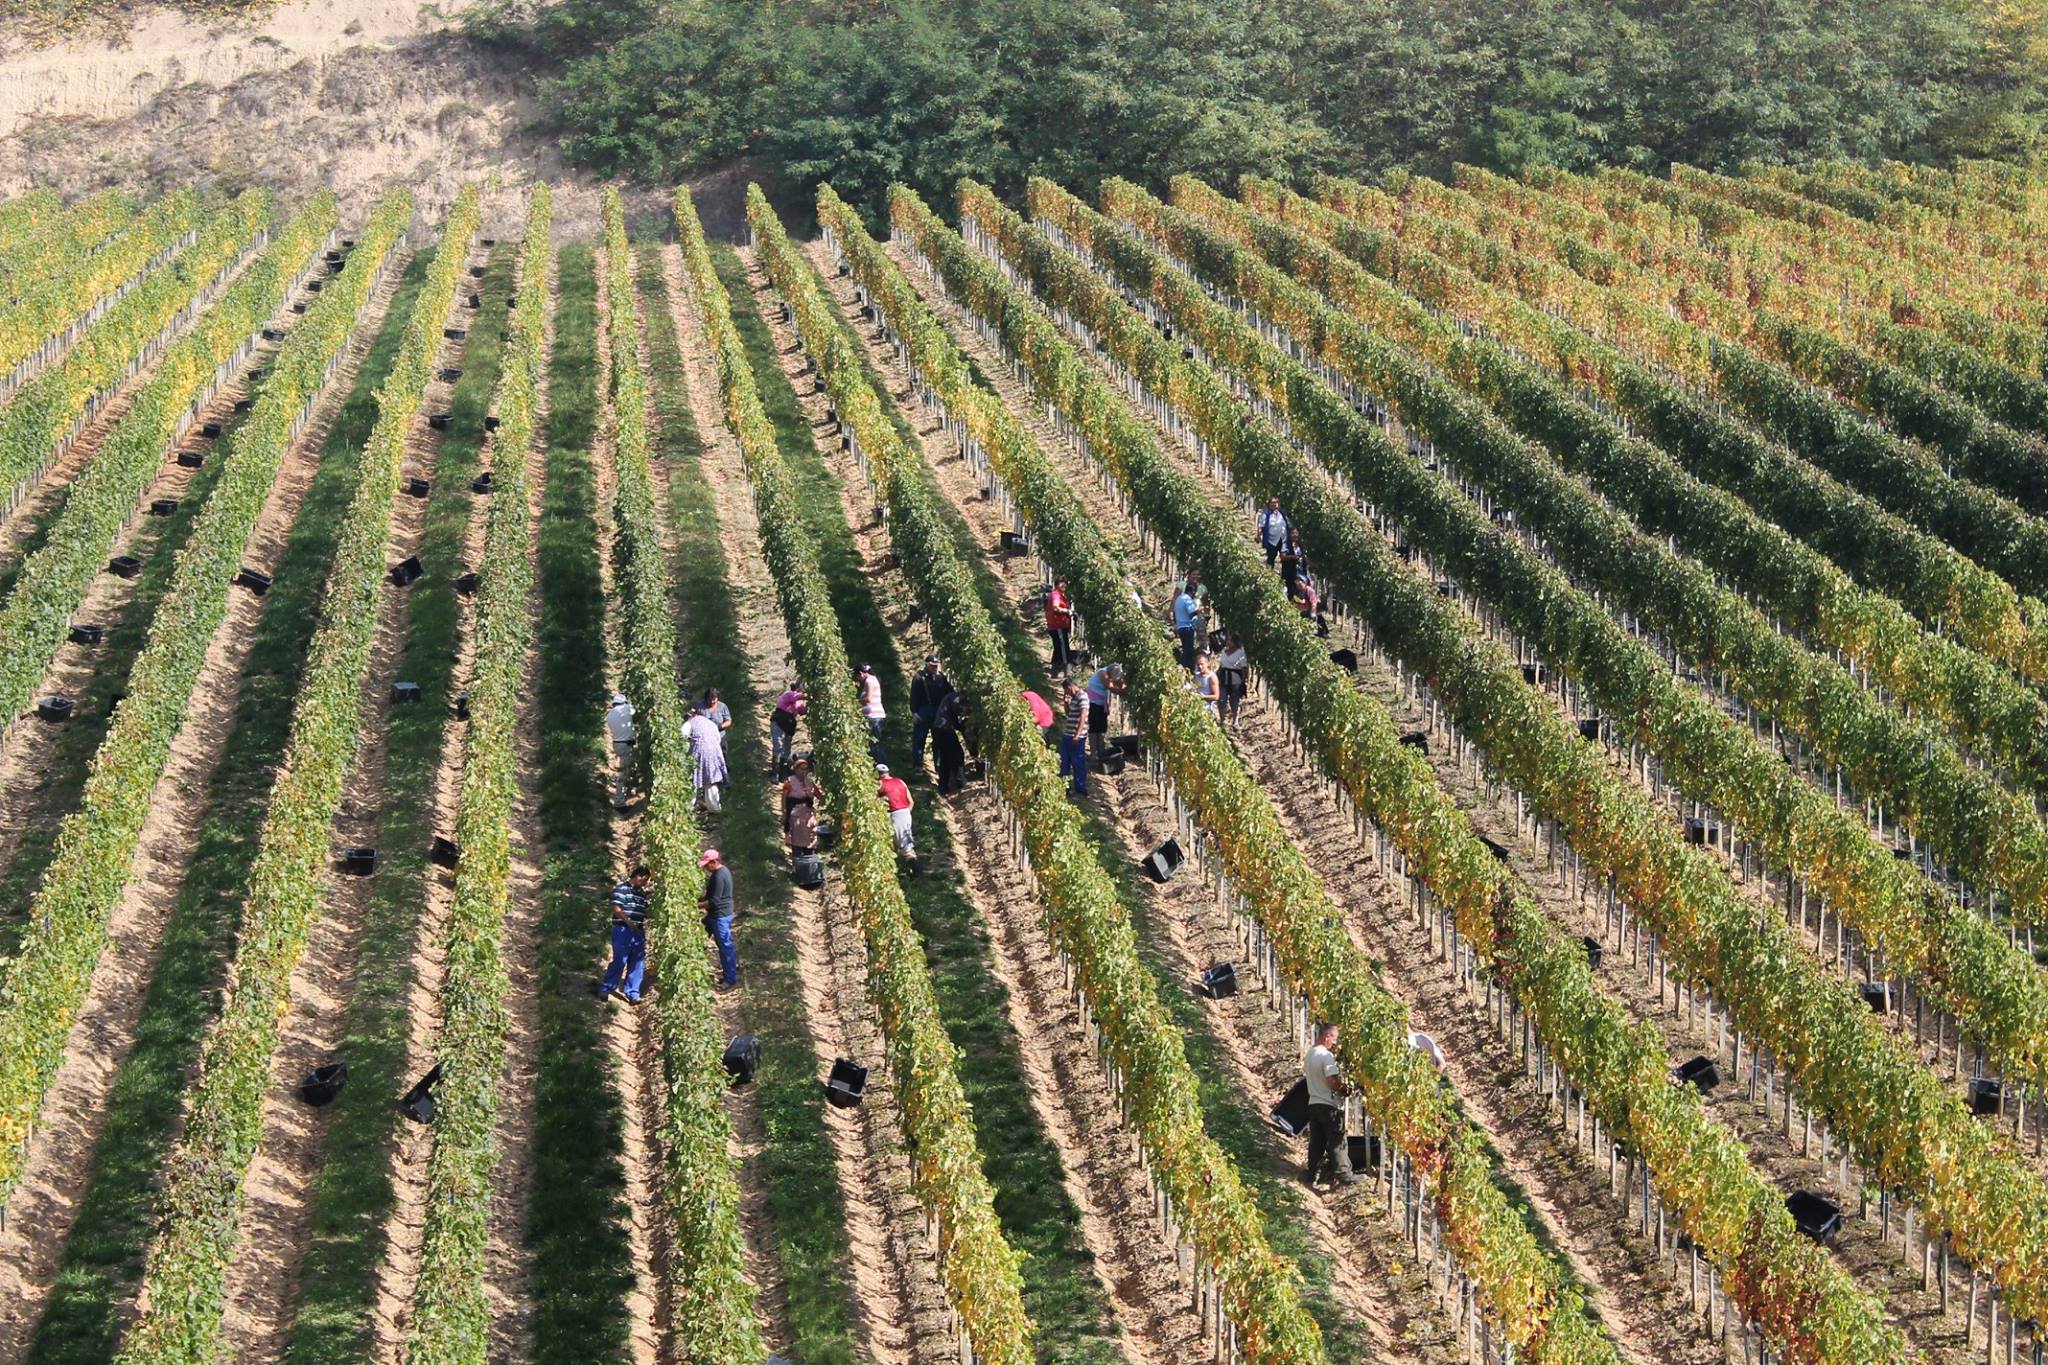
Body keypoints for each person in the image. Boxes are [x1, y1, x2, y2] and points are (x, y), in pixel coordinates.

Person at [1304, 1023, 1360, 1187]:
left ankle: (1312, 1174)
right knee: (1337, 1140)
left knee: (1317, 1142)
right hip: (1328, 1105)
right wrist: (1346, 1089)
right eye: (1334, 1039)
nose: (1334, 1043)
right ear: (1326, 1036)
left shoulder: (1310, 1054)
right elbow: (1332, 1080)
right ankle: (1344, 1175)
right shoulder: (1325, 1056)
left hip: (1313, 1103)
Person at [599, 863, 652, 1004]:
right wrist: (628, 922)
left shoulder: (640, 894)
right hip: (622, 930)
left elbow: (645, 911)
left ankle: (633, 993)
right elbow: (616, 908)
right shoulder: (621, 889)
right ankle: (606, 988)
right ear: (637, 876)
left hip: (638, 931)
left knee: (637, 961)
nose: (644, 883)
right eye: (644, 880)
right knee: (620, 959)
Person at [698, 848, 739, 989]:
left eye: (706, 865)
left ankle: (730, 978)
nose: (705, 868)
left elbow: (714, 901)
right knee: (701, 934)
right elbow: (710, 896)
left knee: (725, 946)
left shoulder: (719, 876)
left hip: (720, 915)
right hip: (715, 915)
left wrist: (696, 906)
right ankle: (727, 971)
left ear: (714, 862)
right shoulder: (719, 873)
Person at [909, 655, 951, 772]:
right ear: (927, 665)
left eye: (936, 666)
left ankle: (939, 765)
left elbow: (948, 692)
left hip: (938, 711)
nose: (935, 668)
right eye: (932, 666)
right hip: (924, 710)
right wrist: (914, 712)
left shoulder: (941, 677)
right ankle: (918, 764)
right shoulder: (919, 677)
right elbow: (914, 696)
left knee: (938, 738)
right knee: (919, 738)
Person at [877, 763, 918, 874]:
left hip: (895, 814)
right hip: (905, 813)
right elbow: (911, 802)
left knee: (905, 846)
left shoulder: (880, 784)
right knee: (899, 842)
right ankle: (901, 870)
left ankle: (918, 873)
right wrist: (905, 813)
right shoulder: (900, 781)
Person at [687, 702, 728, 813]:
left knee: (692, 779)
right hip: (714, 753)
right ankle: (715, 809)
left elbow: (682, 736)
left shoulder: (690, 723)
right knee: (711, 780)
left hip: (699, 752)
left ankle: (687, 807)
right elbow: (718, 739)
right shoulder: (711, 724)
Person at [1083, 662, 1124, 767]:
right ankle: (1094, 755)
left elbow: (1119, 683)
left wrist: (1122, 684)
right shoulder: (1103, 673)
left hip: (1100, 705)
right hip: (1093, 704)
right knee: (1094, 729)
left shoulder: (1109, 673)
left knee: (1101, 728)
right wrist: (1123, 690)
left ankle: (1101, 754)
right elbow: (1110, 687)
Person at [1057, 675, 1090, 798]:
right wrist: (1065, 703)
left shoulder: (1083, 697)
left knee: (1077, 762)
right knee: (1065, 761)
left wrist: (1077, 735)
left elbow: (1083, 717)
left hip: (1077, 737)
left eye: (1066, 691)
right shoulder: (1074, 698)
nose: (1067, 694)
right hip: (1067, 734)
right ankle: (1064, 788)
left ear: (1070, 687)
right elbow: (1069, 714)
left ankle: (1081, 789)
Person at [932, 687, 969, 794]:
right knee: (957, 755)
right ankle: (960, 782)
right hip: (944, 730)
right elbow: (956, 715)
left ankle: (943, 787)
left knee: (945, 759)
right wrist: (964, 728)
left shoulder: (950, 697)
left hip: (938, 729)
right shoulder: (955, 698)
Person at [605, 692, 637, 809]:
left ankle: (630, 789)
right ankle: (619, 803)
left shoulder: (609, 715)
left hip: (617, 744)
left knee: (629, 767)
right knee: (624, 773)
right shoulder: (627, 708)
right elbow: (634, 711)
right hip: (626, 744)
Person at [783, 757, 820, 855]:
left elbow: (818, 794)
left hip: (808, 813)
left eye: (805, 769)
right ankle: (797, 856)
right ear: (795, 770)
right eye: (801, 769)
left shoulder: (809, 782)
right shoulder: (789, 782)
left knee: (811, 832)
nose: (804, 771)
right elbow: (784, 797)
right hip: (795, 813)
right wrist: (784, 812)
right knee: (797, 835)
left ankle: (809, 854)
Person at [770, 683, 805, 775]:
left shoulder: (798, 702)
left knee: (786, 749)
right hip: (779, 722)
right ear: (797, 689)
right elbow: (797, 697)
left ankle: (783, 772)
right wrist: (813, 695)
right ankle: (775, 773)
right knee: (778, 746)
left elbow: (802, 711)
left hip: (788, 725)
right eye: (802, 689)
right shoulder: (789, 694)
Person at [1218, 634, 1250, 728]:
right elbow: (1222, 665)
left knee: (1234, 700)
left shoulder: (1240, 653)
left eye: (1230, 640)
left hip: (1235, 678)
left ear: (1235, 642)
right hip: (1224, 677)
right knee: (1221, 700)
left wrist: (1244, 680)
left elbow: (1244, 668)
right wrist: (1217, 675)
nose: (1228, 642)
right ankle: (1222, 720)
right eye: (1228, 640)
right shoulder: (1224, 652)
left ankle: (1235, 721)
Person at [856, 663, 886, 757]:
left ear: (861, 673)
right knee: (873, 743)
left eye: (857, 677)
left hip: (874, 717)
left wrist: (855, 702)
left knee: (875, 744)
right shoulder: (872, 680)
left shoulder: (869, 681)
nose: (858, 680)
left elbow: (868, 699)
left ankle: (881, 765)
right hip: (874, 717)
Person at [1045, 577, 1074, 672]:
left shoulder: (1061, 595)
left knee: (1058, 647)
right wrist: (1067, 611)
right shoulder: (1056, 595)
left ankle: (1055, 669)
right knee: (1063, 647)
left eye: (1065, 583)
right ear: (1057, 584)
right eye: (1061, 583)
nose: (1064, 585)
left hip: (1059, 625)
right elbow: (1055, 607)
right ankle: (1067, 668)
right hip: (1057, 626)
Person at [1173, 578, 1201, 672]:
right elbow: (1191, 613)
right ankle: (1187, 670)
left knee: (1186, 649)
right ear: (1192, 591)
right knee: (1189, 652)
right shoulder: (1187, 600)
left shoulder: (1179, 599)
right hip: (1187, 628)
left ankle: (1184, 668)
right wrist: (1199, 611)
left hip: (1180, 627)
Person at [1258, 496, 1289, 567]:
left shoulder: (1282, 513)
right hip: (1271, 541)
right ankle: (1269, 574)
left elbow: (1288, 523)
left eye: (1276, 502)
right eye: (1273, 502)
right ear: (1269, 504)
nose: (1275, 504)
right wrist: (1259, 535)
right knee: (1271, 559)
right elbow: (1261, 525)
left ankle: (1285, 575)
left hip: (1283, 540)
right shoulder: (1266, 514)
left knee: (1285, 558)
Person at [1193, 652, 1221, 720]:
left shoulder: (1212, 677)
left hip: (1207, 709)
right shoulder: (1196, 676)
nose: (1200, 666)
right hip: (1196, 707)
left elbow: (1216, 696)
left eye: (1202, 664)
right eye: (1198, 664)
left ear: (1207, 663)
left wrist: (1204, 697)